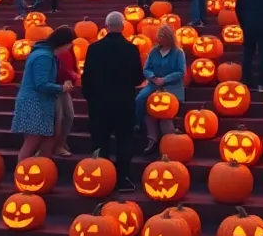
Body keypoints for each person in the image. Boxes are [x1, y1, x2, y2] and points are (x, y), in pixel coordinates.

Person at [82, 11, 145, 193]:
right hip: (123, 102)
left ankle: (101, 178)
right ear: (123, 27)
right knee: (124, 140)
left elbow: (87, 77)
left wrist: (90, 97)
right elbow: (138, 78)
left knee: (100, 140)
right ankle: (123, 178)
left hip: (99, 103)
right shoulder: (131, 49)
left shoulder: (94, 49)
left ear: (106, 26)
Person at [12, 29, 71, 159]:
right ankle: (21, 171)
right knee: (32, 140)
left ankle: (42, 167)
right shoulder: (44, 57)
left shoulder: (45, 53)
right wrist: (61, 88)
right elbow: (41, 84)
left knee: (47, 137)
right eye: (69, 44)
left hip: (41, 102)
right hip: (34, 103)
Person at [136, 25, 187, 153]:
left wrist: (165, 79)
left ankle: (168, 144)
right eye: (159, 37)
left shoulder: (178, 53)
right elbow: (146, 68)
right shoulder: (153, 52)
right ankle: (140, 126)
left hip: (172, 85)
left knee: (165, 110)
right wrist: (152, 77)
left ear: (169, 38)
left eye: (162, 37)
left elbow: (181, 71)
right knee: (140, 99)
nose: (160, 40)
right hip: (154, 83)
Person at [52, 27, 79, 157]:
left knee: (69, 115)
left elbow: (71, 66)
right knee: (59, 117)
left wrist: (74, 76)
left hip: (65, 86)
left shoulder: (69, 50)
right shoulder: (55, 52)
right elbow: (61, 68)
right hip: (56, 86)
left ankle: (61, 141)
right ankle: (57, 145)